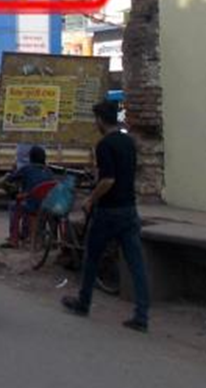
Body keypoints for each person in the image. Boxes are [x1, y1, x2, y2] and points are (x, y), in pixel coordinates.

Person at [62, 101, 153, 333]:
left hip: (109, 210)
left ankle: (84, 303)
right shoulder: (129, 142)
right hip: (129, 208)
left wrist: (91, 198)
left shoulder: (104, 145)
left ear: (101, 120)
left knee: (92, 258)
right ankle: (141, 315)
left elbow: (108, 180)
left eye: (96, 120)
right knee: (136, 263)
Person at [3, 145, 53, 249]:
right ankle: (28, 235)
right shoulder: (48, 171)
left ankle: (14, 239)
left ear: (31, 157)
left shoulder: (26, 169)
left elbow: (10, 179)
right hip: (46, 205)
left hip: (32, 204)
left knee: (14, 206)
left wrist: (8, 176)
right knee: (27, 201)